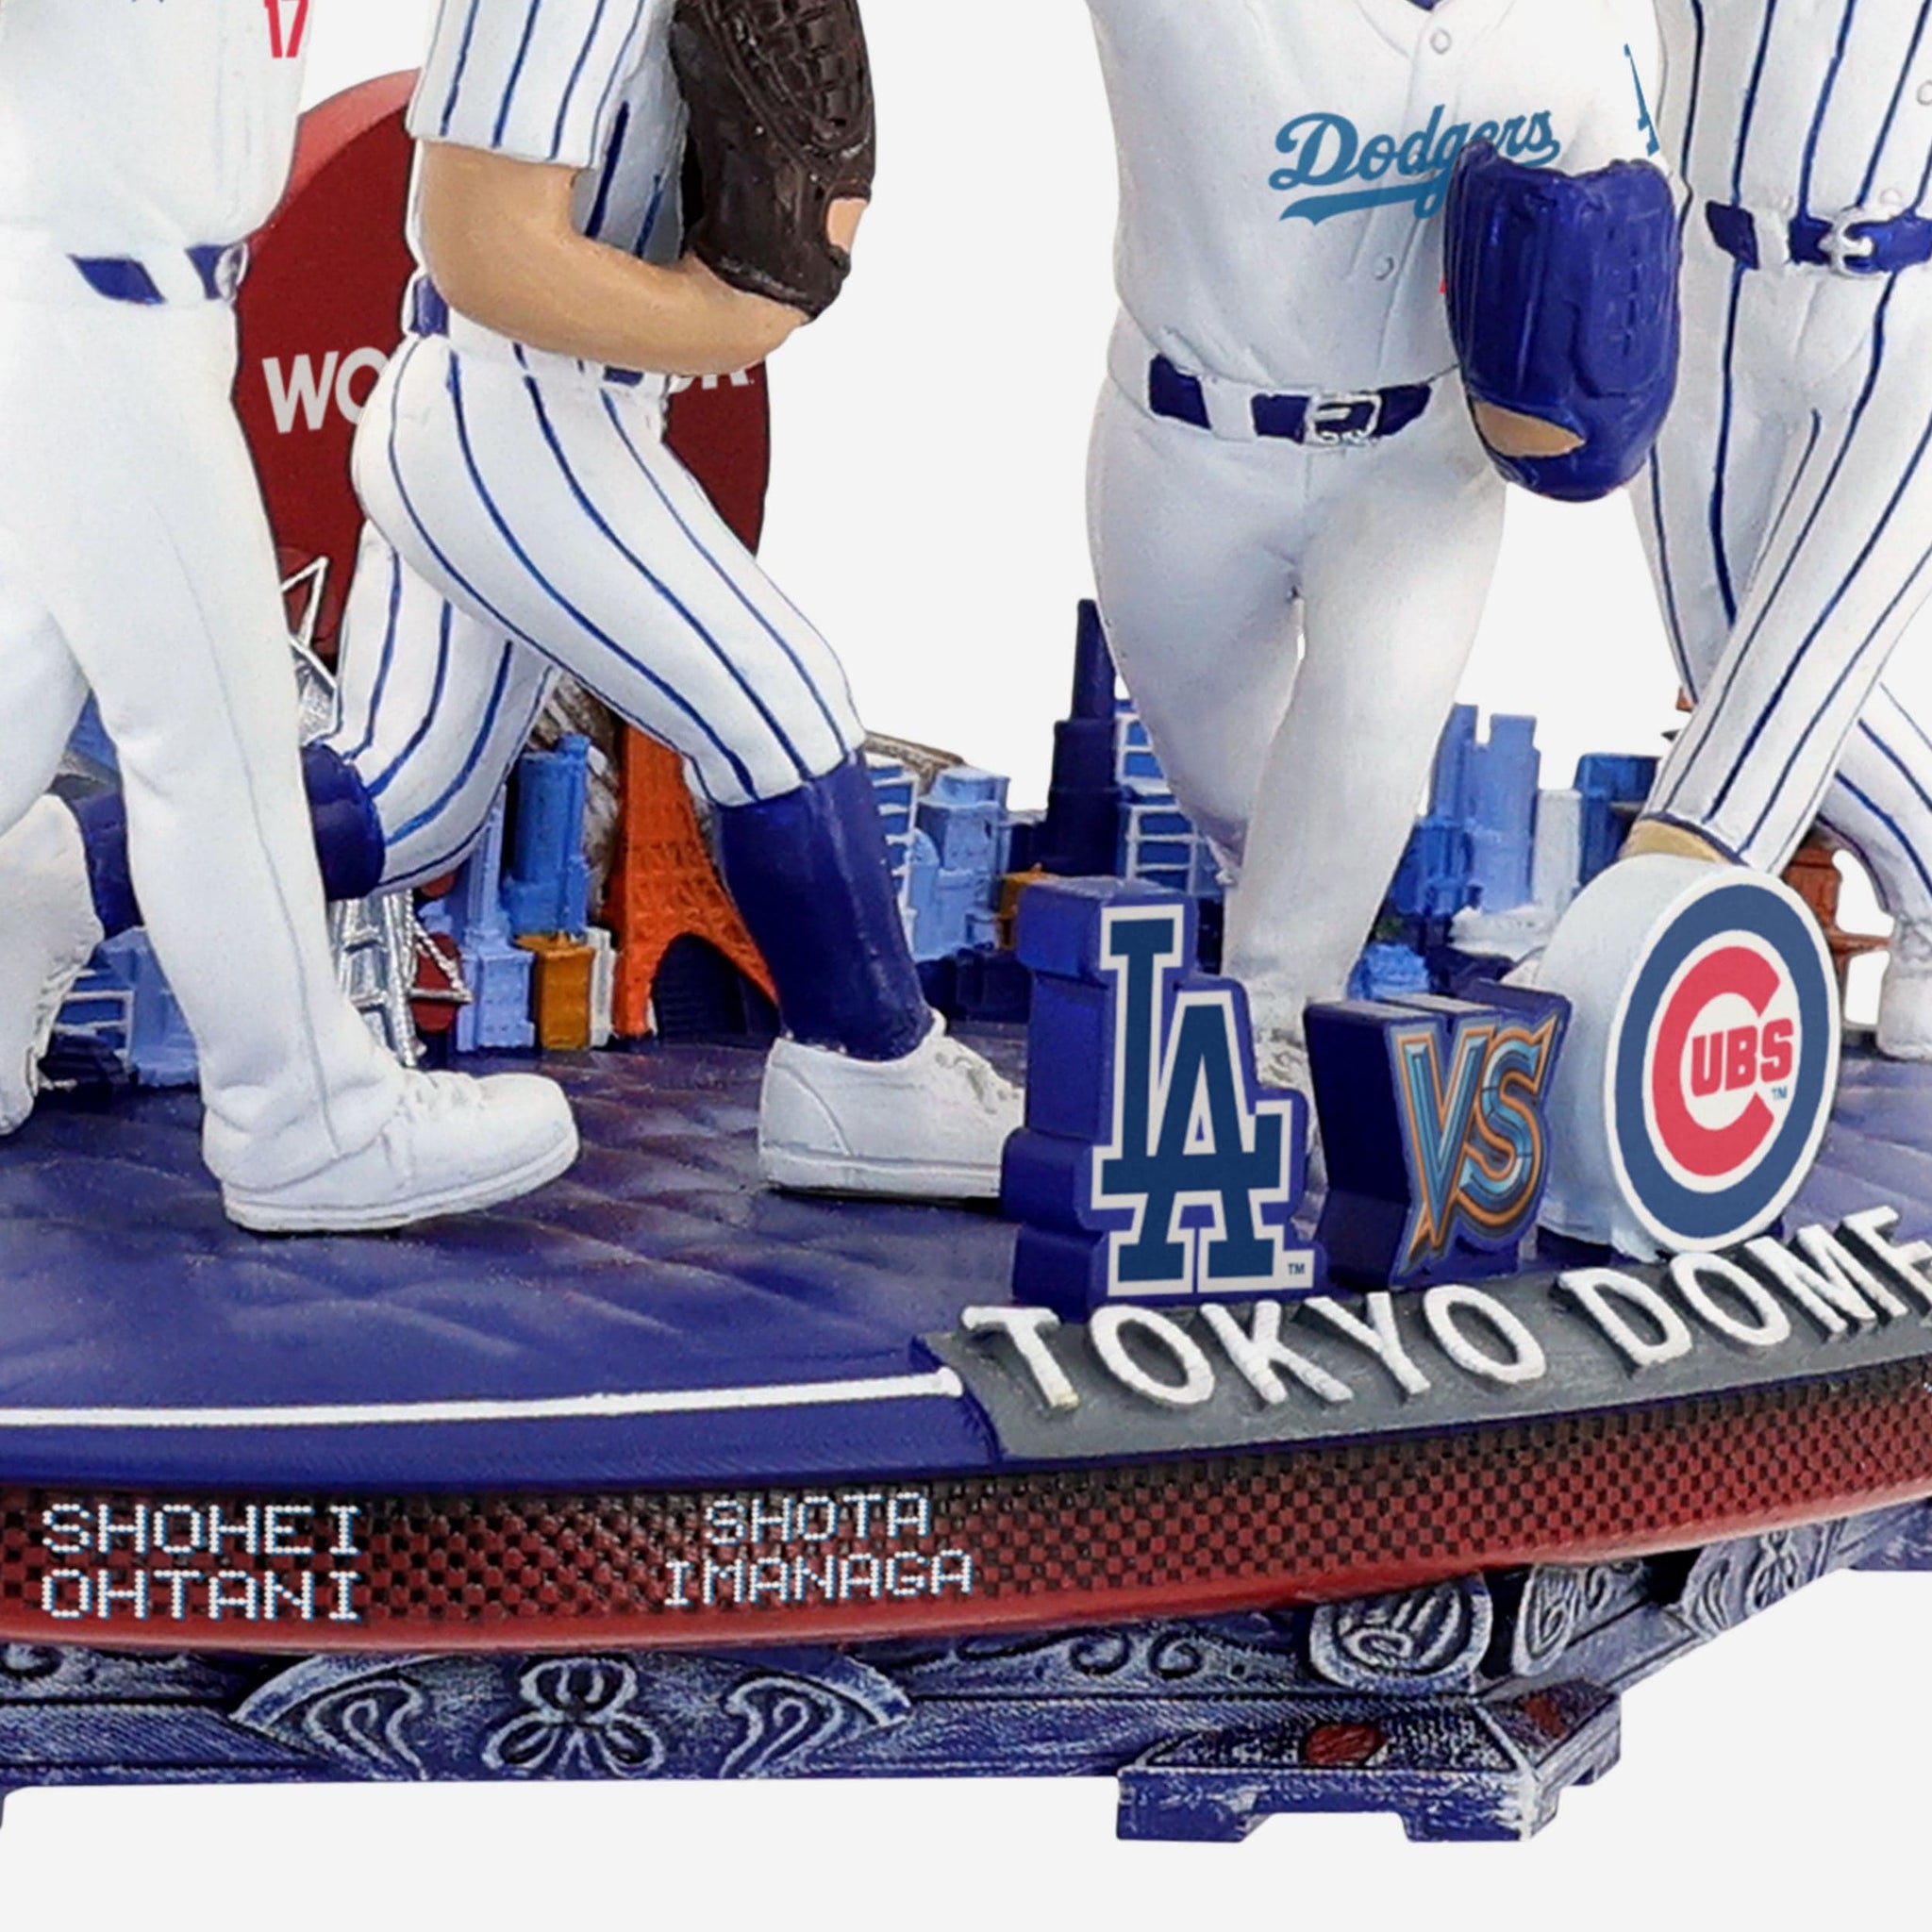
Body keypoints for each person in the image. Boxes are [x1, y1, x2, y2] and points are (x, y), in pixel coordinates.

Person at [2, 0, 1020, 1203]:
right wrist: (733, 318)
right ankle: (865, 1064)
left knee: (402, 798)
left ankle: (45, 893)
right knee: (777, 705)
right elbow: (482, 241)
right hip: (510, 416)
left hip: (437, 381)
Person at [0, 0, 576, 1233]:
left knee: (17, 707)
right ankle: (306, 1120)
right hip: (90, 321)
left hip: (151, 313)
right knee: (217, 741)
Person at [1080, 0, 1669, 1108]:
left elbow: (1627, 232)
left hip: (1421, 454)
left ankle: (1270, 1025)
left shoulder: (1585, 20)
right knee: (1228, 787)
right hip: (1185, 444)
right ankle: (1286, 941)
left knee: (1371, 715)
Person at [1634, 0, 1932, 1058]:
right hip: (1703, 277)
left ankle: (1628, 964)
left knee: (1791, 672)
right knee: (1724, 663)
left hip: (1909, 309)